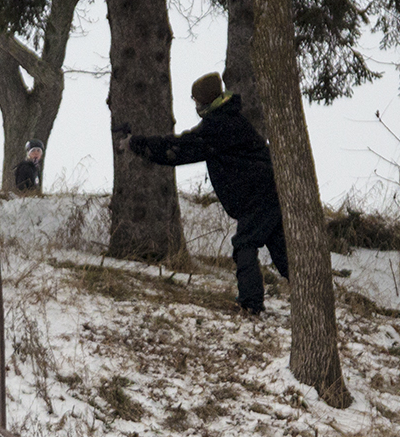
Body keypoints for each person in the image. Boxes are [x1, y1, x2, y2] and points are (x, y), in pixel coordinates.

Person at [118, 73, 288, 314]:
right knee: (282, 252)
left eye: (196, 100)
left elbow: (178, 149)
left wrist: (136, 143)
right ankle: (315, 295)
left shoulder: (219, 126)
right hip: (268, 193)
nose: (195, 105)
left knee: (244, 244)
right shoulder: (231, 118)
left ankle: (251, 305)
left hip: (258, 197)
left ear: (206, 102)